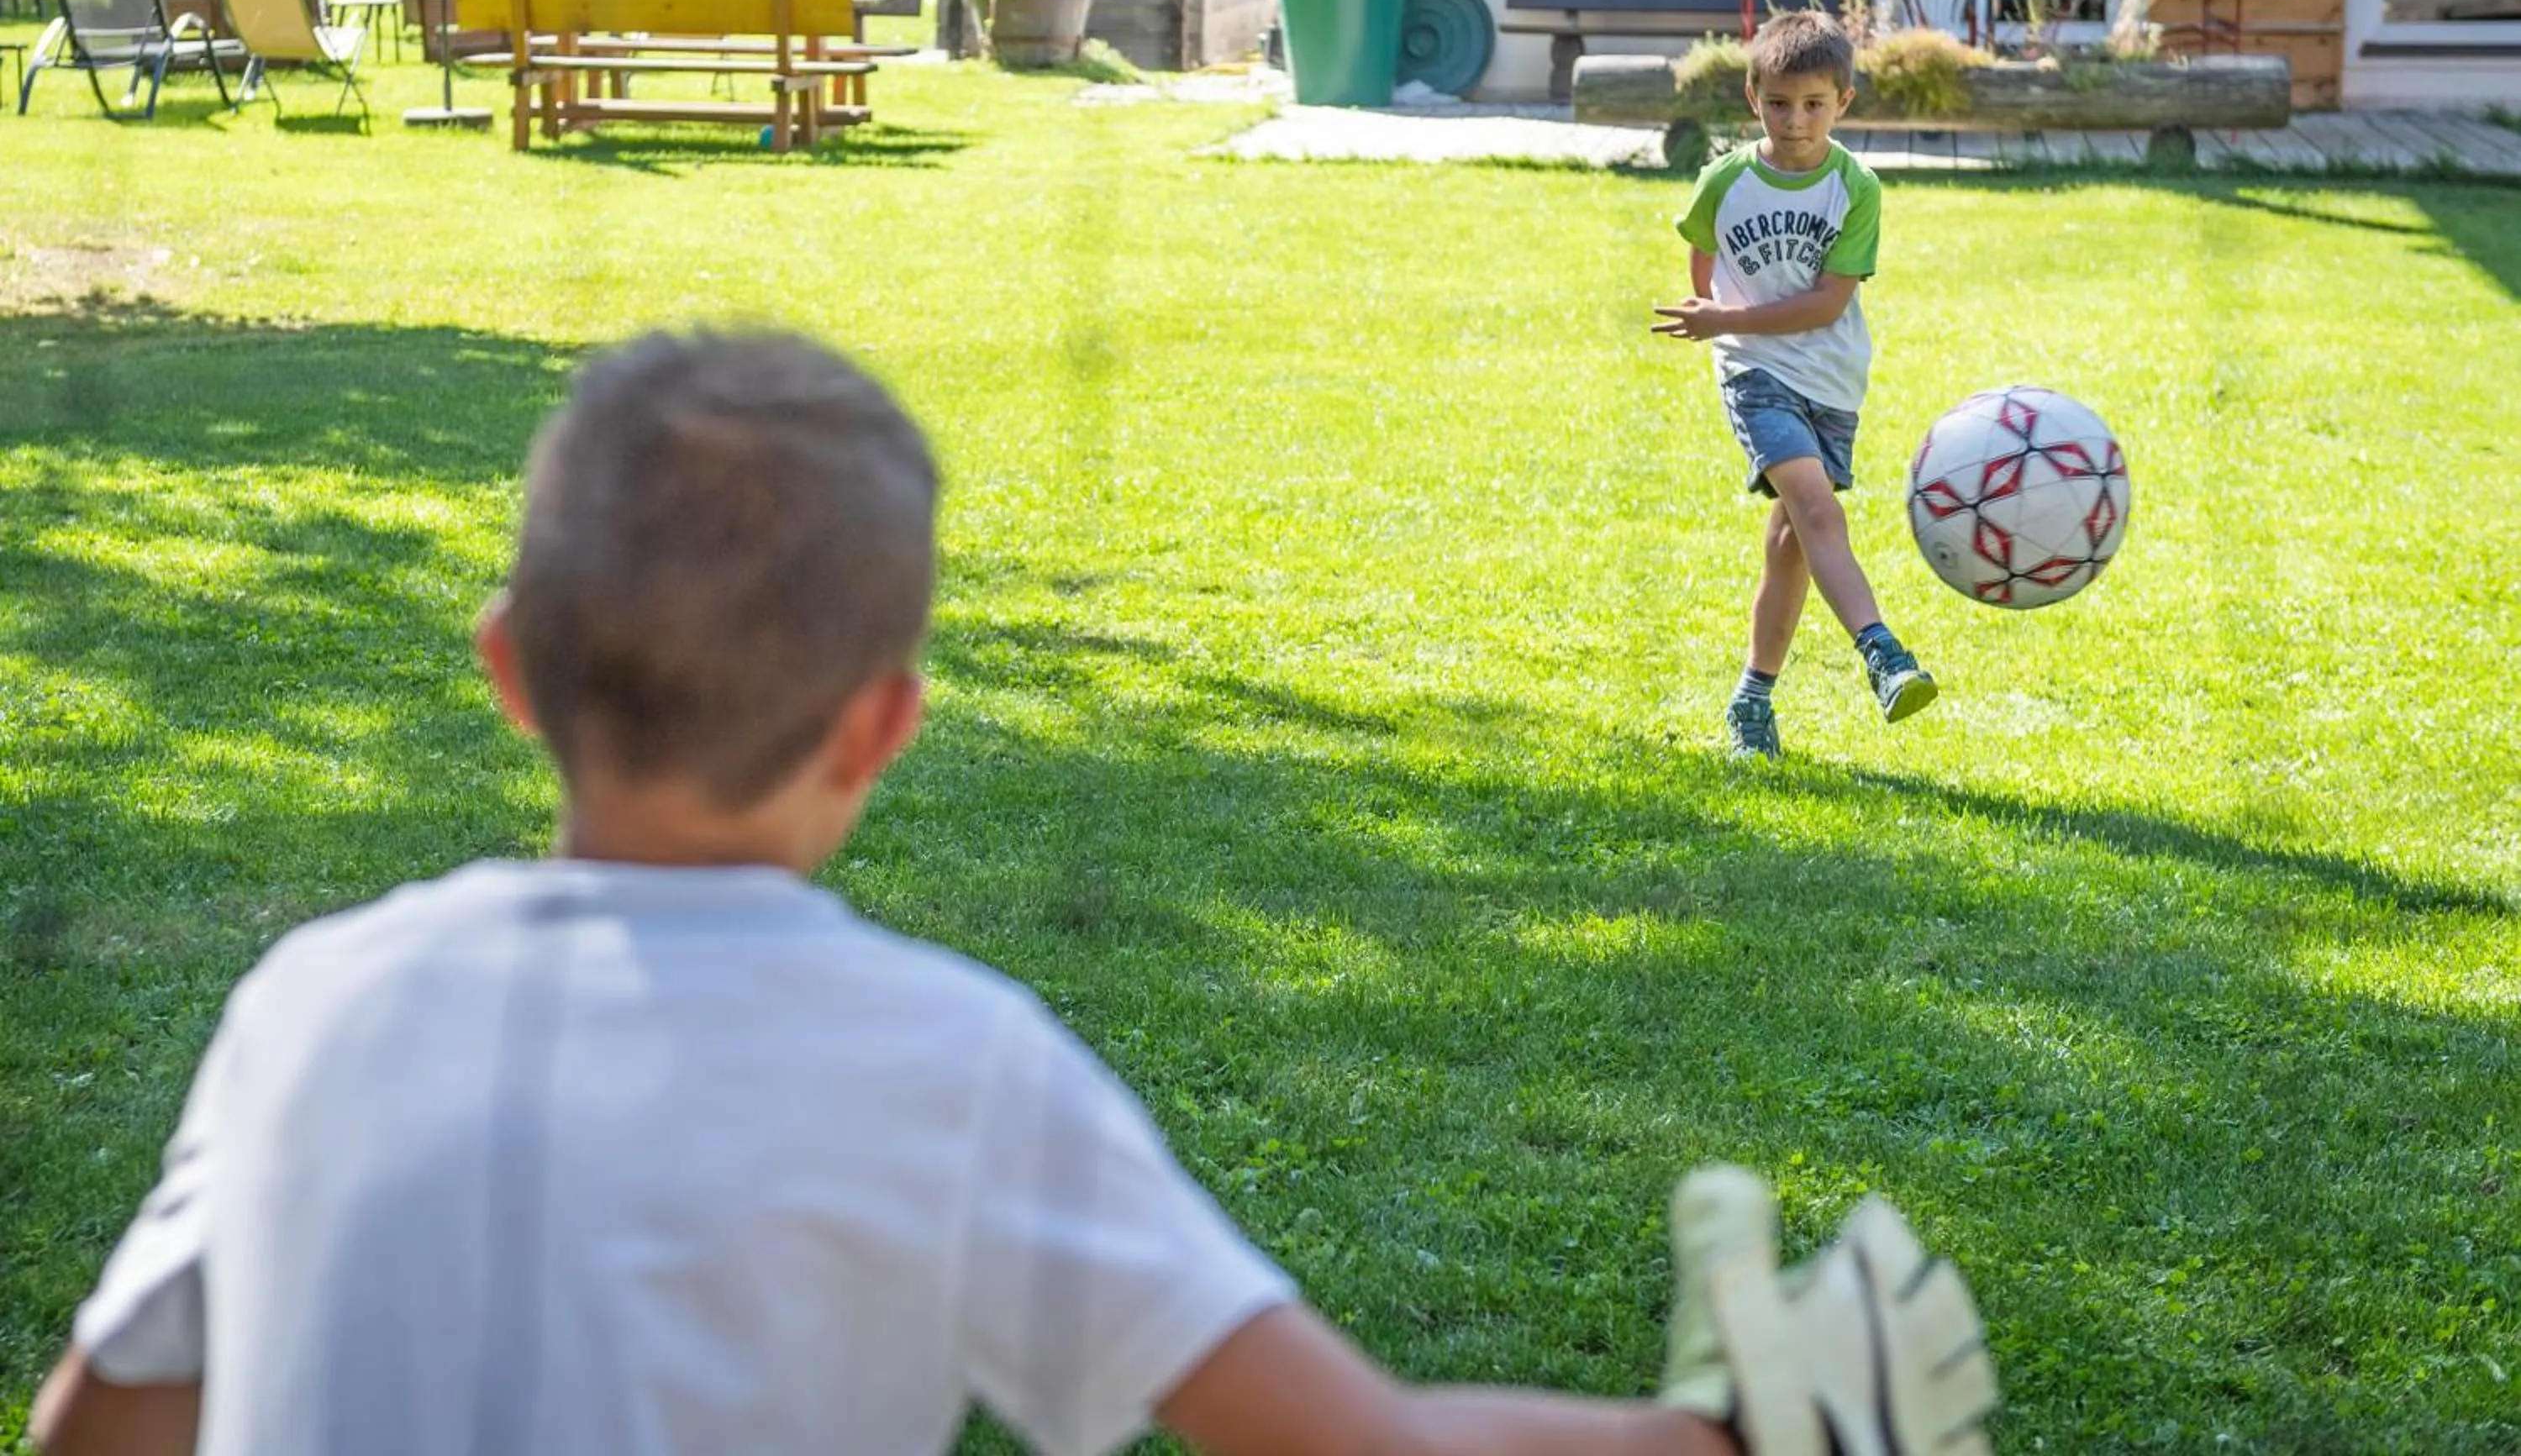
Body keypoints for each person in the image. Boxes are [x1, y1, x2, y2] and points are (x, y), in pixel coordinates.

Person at [31, 333, 1994, 1456]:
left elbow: (100, 1423)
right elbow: (1363, 1445)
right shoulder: (944, 1063)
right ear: (880, 725)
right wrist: (1725, 1433)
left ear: (508, 668)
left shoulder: (310, 1001)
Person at [1655, 11, 1937, 761]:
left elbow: (1827, 304)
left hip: (1833, 379)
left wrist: (1723, 316)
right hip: (1755, 371)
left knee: (1790, 542)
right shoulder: (1727, 179)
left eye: (1814, 104)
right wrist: (1722, 326)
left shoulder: (1855, 188)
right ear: (1754, 98)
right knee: (1814, 508)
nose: (1795, 120)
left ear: (1843, 101)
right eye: (1779, 103)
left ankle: (1752, 701)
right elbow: (1703, 256)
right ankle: (1882, 653)